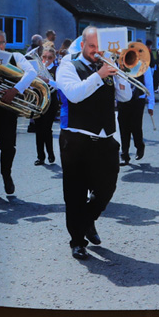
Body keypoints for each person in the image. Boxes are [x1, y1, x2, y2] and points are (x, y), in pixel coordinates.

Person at [56, 26, 132, 260]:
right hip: (76, 138)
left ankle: (87, 221)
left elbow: (126, 96)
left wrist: (117, 74)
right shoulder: (68, 65)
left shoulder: (109, 65)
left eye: (100, 47)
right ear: (82, 45)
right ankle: (77, 241)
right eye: (92, 47)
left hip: (105, 137)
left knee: (107, 188)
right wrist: (99, 75)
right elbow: (74, 94)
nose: (96, 51)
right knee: (75, 194)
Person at [0, 30, 37, 200]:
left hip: (8, 108)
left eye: (1, 42)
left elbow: (32, 73)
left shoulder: (16, 57)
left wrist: (15, 90)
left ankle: (6, 175)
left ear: (5, 43)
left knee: (8, 147)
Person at [117, 53, 154, 165]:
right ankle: (125, 154)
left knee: (136, 125)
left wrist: (151, 105)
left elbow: (149, 85)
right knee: (123, 127)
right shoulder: (120, 66)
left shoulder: (143, 67)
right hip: (123, 99)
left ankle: (139, 146)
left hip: (138, 99)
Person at [33, 46, 60, 165]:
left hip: (51, 102)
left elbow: (59, 85)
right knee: (38, 129)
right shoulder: (37, 69)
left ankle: (50, 153)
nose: (46, 59)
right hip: (38, 101)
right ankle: (40, 156)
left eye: (49, 57)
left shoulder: (57, 69)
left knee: (47, 129)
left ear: (54, 58)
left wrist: (47, 80)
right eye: (44, 57)